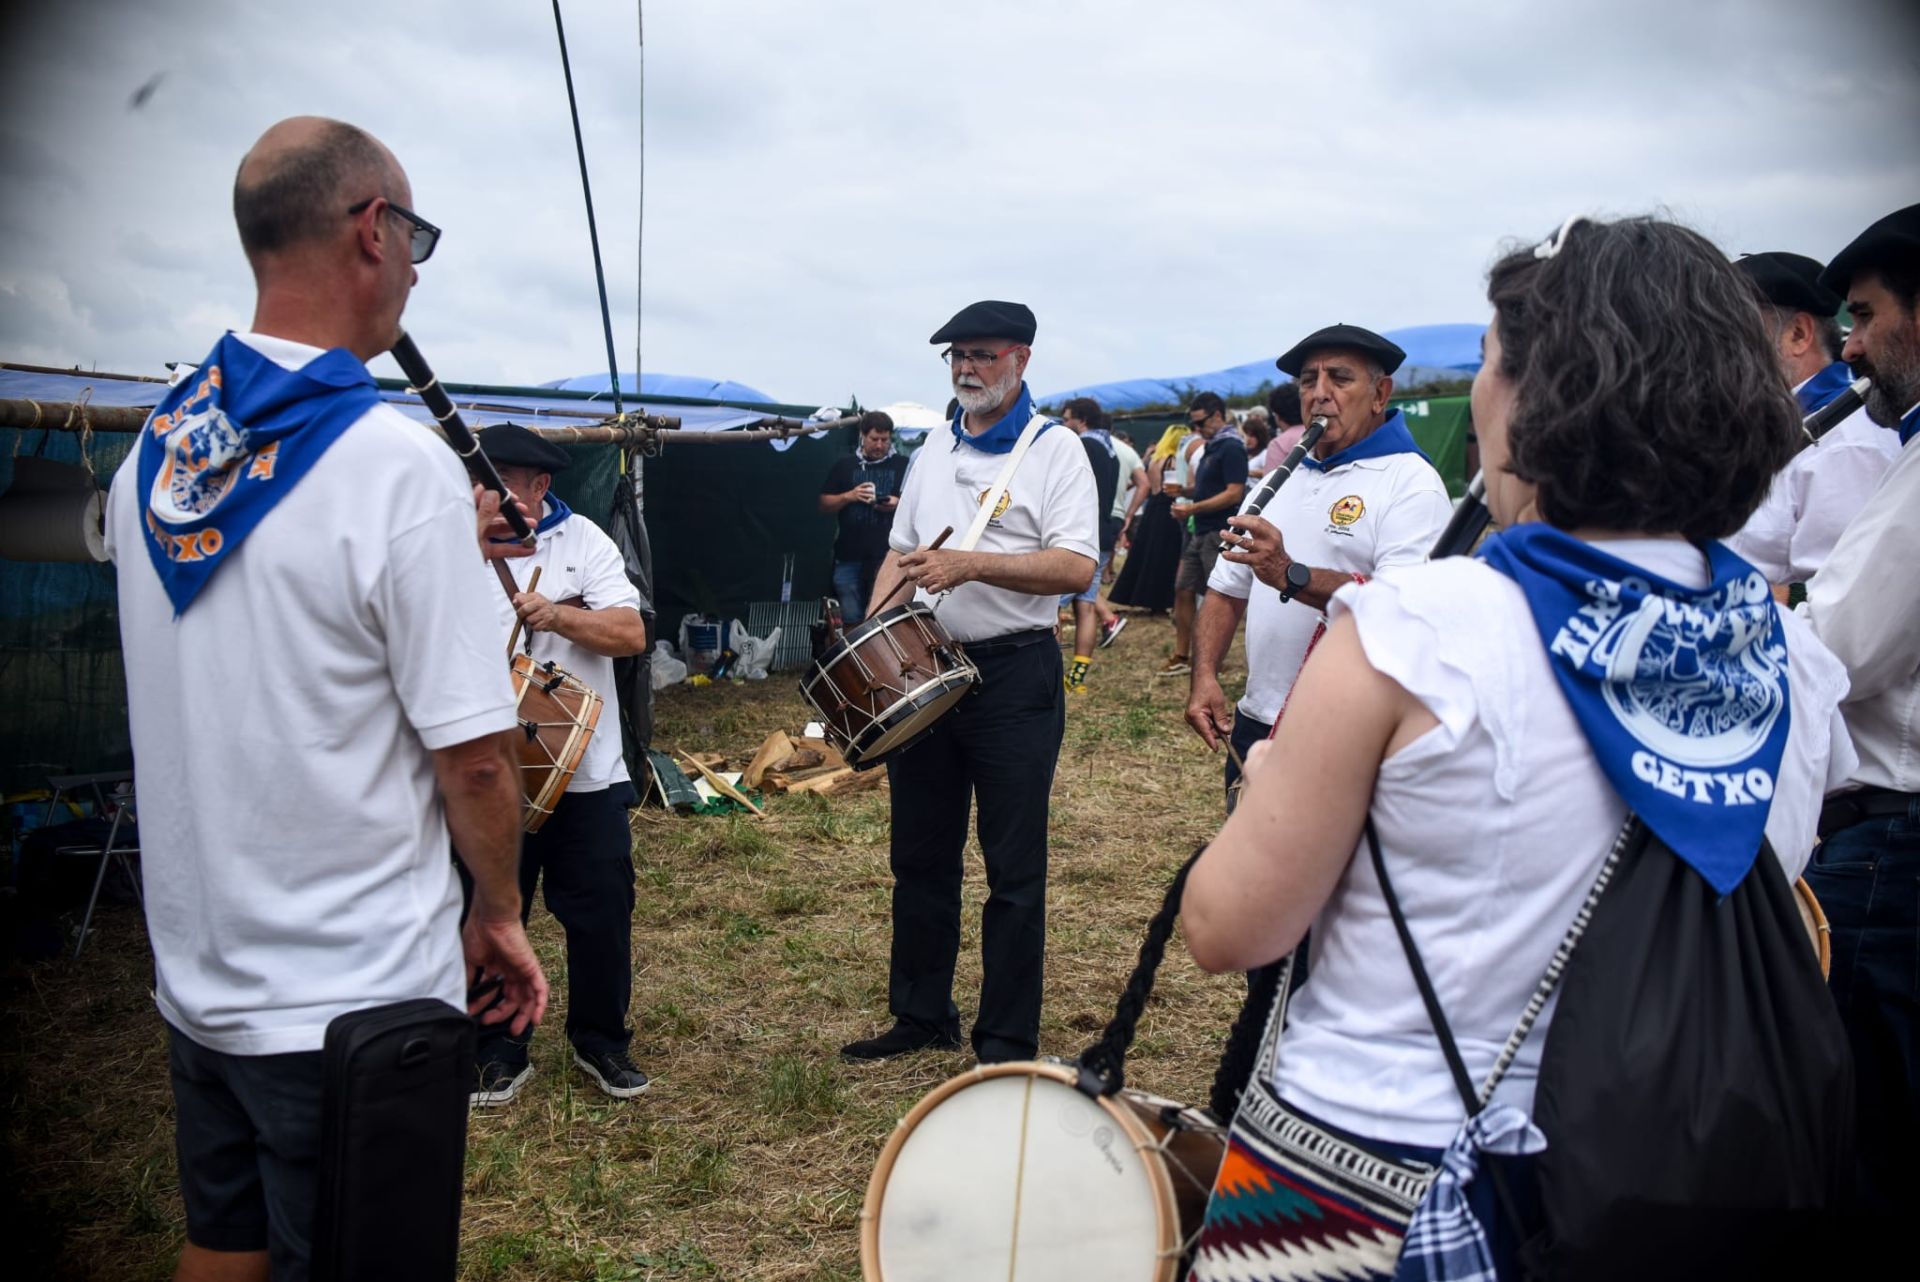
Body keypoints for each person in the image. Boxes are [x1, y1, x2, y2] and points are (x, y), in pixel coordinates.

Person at [1181, 216, 1852, 1278]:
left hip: (1361, 1184)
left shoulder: (1413, 630)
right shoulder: (1796, 664)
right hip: (1646, 1185)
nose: (1484, 393)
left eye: (1493, 362)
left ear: (1544, 395)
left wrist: (1275, 780)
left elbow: (1228, 928)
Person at [103, 117, 548, 1282]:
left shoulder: (153, 452)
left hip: (202, 981)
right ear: (372, 232)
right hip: (355, 1006)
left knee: (224, 1250)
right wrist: (497, 912)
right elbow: (478, 759)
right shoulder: (393, 464)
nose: (414, 268)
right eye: (417, 240)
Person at [841, 300, 1097, 1064]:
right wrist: (868, 634)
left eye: (982, 355)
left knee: (1013, 867)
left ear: (1020, 359)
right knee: (919, 854)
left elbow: (1077, 567)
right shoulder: (929, 449)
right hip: (924, 664)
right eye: (956, 356)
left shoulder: (1057, 452)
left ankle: (1005, 1039)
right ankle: (921, 1014)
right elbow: (900, 552)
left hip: (1015, 671)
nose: (965, 369)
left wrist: (971, 563)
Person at [464, 423, 652, 1106]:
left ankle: (601, 1042)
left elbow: (630, 634)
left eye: (498, 481)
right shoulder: (455, 545)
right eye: (477, 478)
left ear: (540, 485)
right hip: (485, 772)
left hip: (586, 772)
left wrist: (556, 616)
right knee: (485, 907)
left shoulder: (586, 544)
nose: (481, 492)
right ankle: (496, 1049)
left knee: (601, 912)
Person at [1187, 325, 1451, 799]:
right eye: (1309, 381)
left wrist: (1290, 574)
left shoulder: (1412, 483)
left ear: (1379, 394)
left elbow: (1406, 609)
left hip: (1352, 733)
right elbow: (1227, 587)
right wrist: (1205, 674)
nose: (1320, 394)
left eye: (1340, 379)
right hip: (1257, 721)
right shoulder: (1277, 481)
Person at [1802, 201, 1920, 1217]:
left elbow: (1833, 653)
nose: (1854, 343)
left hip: (1893, 848)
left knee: (1860, 1128)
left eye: (1869, 314)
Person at [1725, 251, 1899, 586]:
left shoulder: (1850, 446)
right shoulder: (1766, 423)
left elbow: (1841, 602)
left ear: (1798, 335)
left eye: (1730, 330)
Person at [1163, 392, 1247, 676]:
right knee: (1183, 589)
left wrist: (1193, 507)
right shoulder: (1213, 446)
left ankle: (1212, 660)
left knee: (1217, 596)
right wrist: (1185, 493)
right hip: (1201, 529)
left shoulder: (1232, 447)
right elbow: (1212, 487)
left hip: (1219, 531)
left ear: (1218, 416)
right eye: (1195, 424)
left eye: (1201, 423)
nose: (1197, 430)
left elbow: (1234, 492)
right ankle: (1183, 653)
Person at [817, 413, 909, 626]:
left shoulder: (903, 465)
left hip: (888, 557)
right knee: (850, 618)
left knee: (882, 617)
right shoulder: (845, 466)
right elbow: (823, 504)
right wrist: (849, 496)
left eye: (885, 440)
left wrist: (897, 504)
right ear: (862, 436)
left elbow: (919, 504)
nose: (879, 445)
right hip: (849, 556)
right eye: (874, 439)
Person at [1061, 397, 1125, 690]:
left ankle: (1047, 676)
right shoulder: (1111, 449)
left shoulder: (1083, 445)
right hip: (1102, 535)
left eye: (1067, 419)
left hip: (1078, 536)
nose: (1064, 424)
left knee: (1052, 607)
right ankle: (1077, 677)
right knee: (1085, 607)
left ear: (1080, 419)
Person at [1108, 421, 1185, 613]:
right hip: (1168, 508)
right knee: (1165, 556)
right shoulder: (1173, 460)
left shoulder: (1153, 458)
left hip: (1152, 507)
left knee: (1146, 555)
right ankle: (1161, 600)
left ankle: (1145, 597)